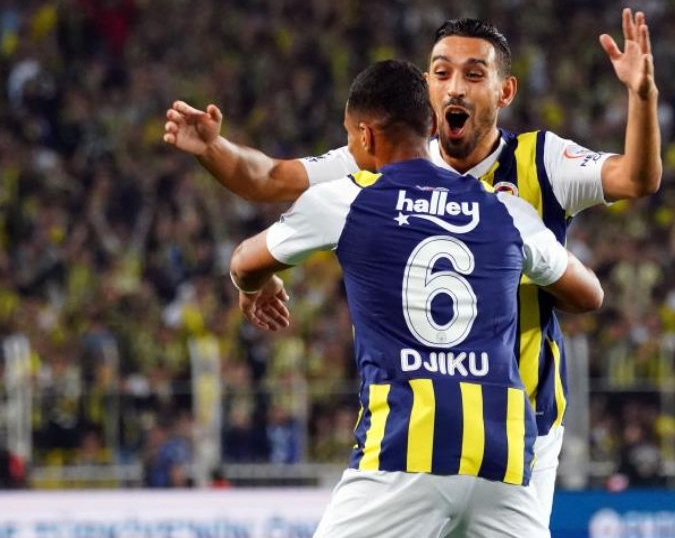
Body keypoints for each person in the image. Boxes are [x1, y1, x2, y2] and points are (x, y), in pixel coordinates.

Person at [164, 8, 660, 518]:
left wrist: (641, 96)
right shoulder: (386, 157)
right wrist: (213, 148)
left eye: (474, 75)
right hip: (429, 425)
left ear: (505, 92)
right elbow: (270, 177)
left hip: (523, 422)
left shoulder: (541, 161)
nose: (455, 88)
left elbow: (636, 178)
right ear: (426, 87)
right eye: (442, 73)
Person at [229, 59, 603, 537]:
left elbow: (244, 261)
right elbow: (589, 294)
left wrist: (256, 288)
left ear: (365, 135)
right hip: (504, 459)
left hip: (406, 451)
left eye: (349, 136)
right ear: (430, 127)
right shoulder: (506, 209)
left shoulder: (348, 199)